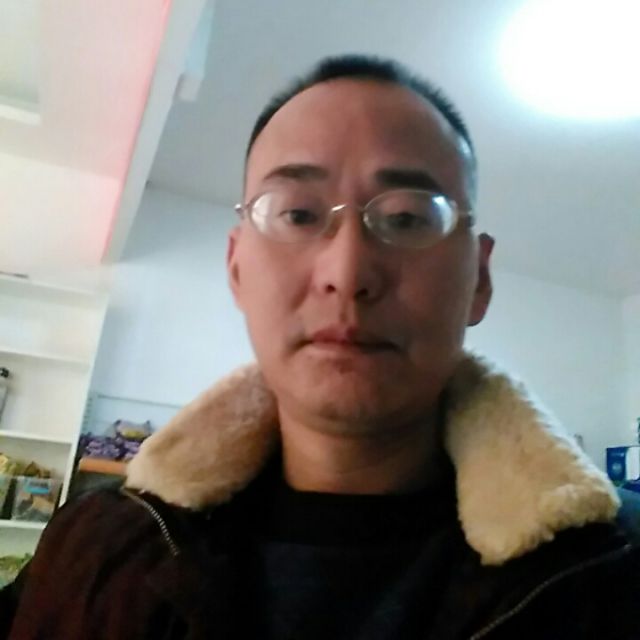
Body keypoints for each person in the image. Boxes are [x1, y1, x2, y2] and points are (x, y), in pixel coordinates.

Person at [2, 55, 639, 640]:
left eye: (408, 218)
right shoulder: (95, 549)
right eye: (299, 214)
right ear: (237, 269)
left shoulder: (613, 571)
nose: (347, 270)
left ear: (479, 279)